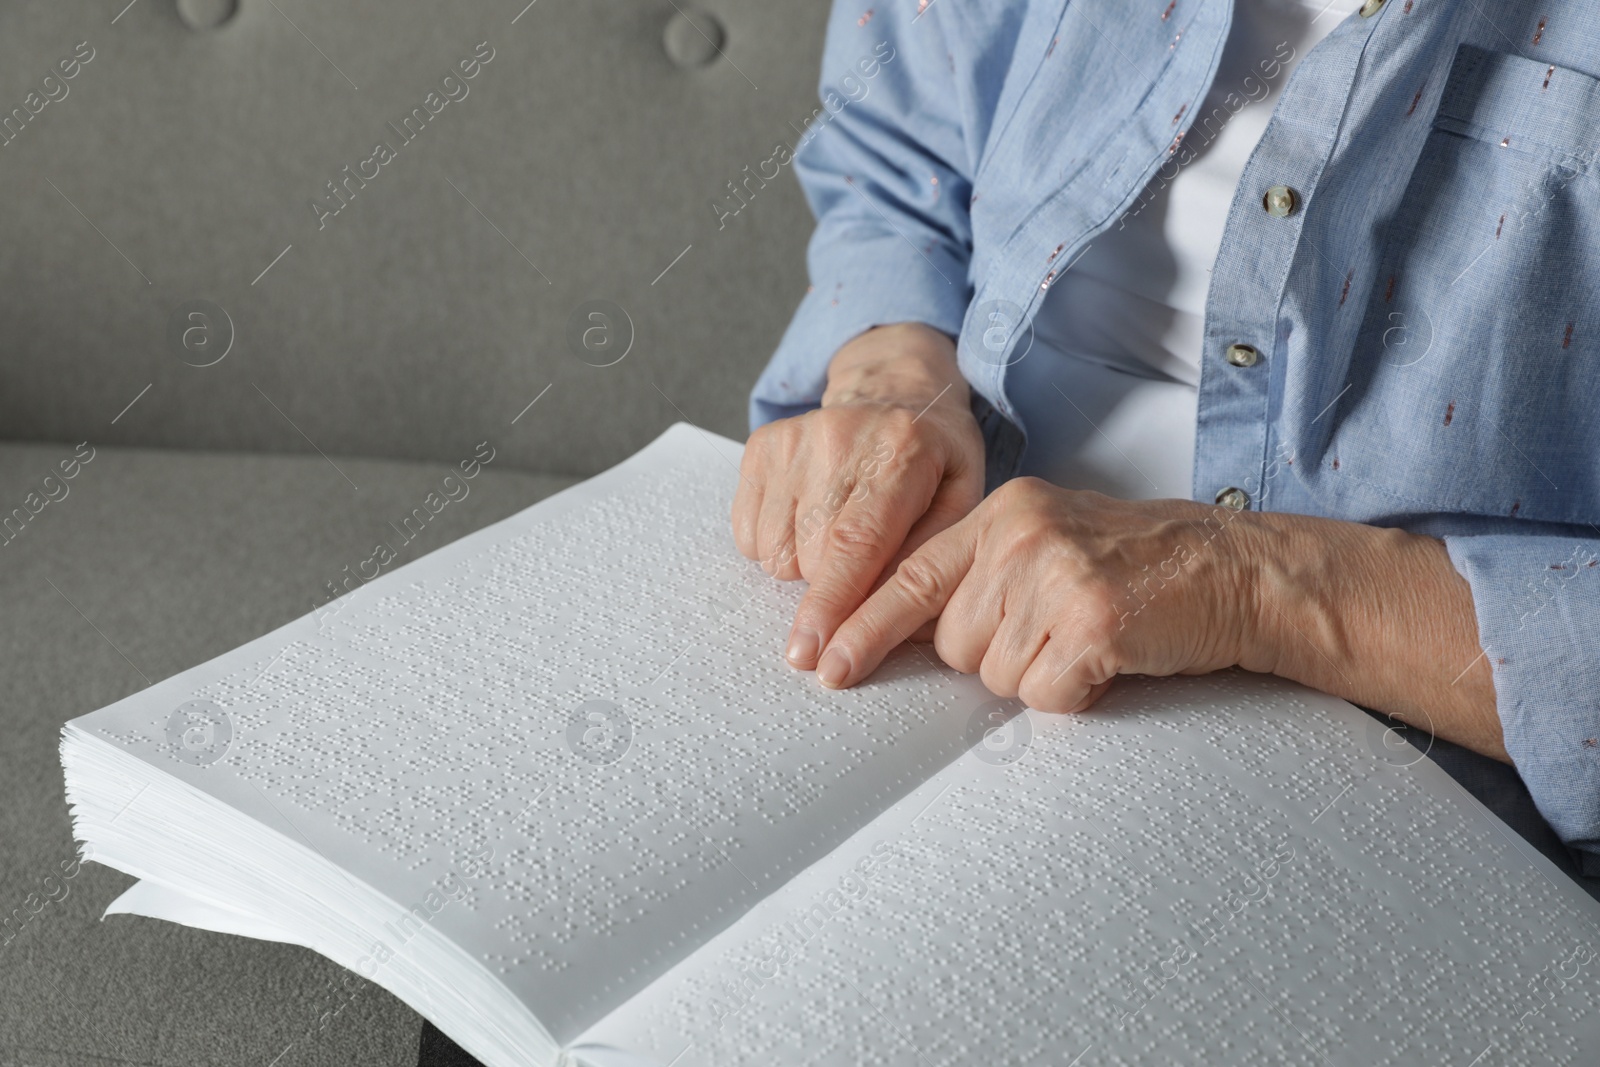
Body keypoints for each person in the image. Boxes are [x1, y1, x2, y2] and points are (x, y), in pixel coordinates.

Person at [734, 0, 1600, 878]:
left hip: (1391, 785)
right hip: (941, 609)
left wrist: (1254, 588)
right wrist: (889, 370)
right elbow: (892, 151)